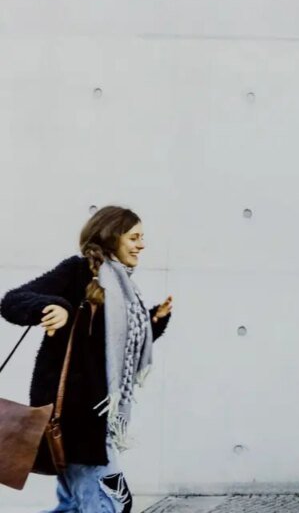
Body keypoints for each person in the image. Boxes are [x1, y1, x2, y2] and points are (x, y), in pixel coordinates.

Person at [1, 206, 173, 512]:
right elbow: (12, 301)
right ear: (111, 237)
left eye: (142, 238)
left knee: (80, 505)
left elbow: (112, 347)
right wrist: (53, 307)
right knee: (107, 505)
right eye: (134, 237)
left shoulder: (124, 287)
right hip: (74, 418)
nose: (142, 245)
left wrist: (153, 321)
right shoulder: (77, 271)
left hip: (97, 417)